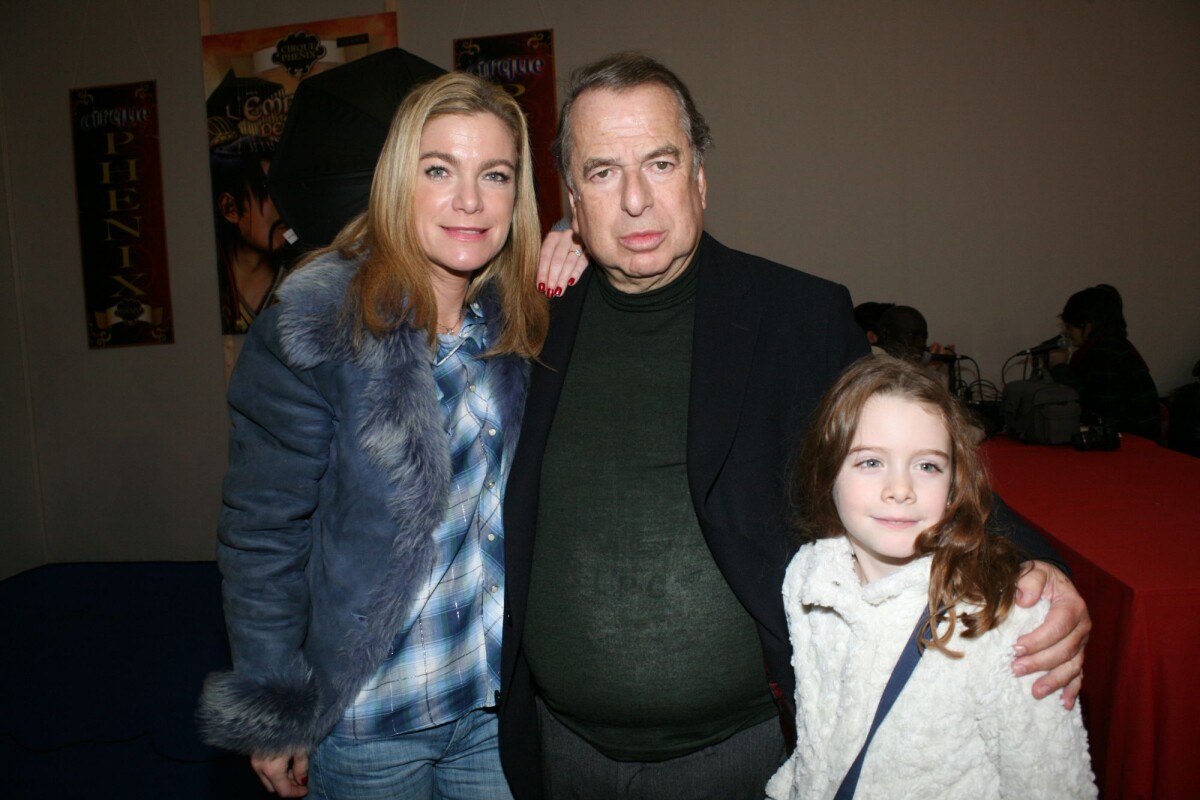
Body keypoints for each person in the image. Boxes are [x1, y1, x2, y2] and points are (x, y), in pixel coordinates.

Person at [498, 52, 1091, 800]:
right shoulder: (529, 320)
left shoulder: (794, 316)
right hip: (559, 755)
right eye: (603, 172)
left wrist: (1035, 565)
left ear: (700, 177)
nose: (637, 200)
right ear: (572, 201)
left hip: (746, 753)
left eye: (660, 162)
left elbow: (914, 458)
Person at [198, 72, 547, 799]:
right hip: (371, 722)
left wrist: (574, 251)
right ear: (396, 180)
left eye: (496, 175)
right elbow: (263, 530)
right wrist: (274, 706)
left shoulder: (521, 324)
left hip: (495, 708)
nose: (470, 200)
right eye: (439, 170)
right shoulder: (321, 321)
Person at [766, 356, 1097, 799]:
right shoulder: (809, 578)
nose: (900, 489)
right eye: (869, 462)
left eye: (927, 466)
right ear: (827, 470)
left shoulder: (1002, 618)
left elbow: (1052, 784)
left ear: (955, 483)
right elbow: (817, 736)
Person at [1049, 286, 1161, 441]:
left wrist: (1060, 368)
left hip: (1131, 443)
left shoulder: (1104, 351)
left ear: (1088, 324)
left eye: (1070, 325)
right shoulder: (1115, 346)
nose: (1067, 332)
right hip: (1133, 439)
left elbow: (1096, 409)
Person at [209, 133, 290, 334]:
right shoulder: (207, 289)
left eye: (282, 189)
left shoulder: (302, 278)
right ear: (230, 208)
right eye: (266, 191)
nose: (283, 205)